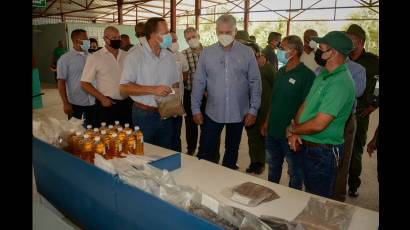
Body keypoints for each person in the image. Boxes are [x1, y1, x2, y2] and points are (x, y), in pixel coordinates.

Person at [286, 31, 356, 198]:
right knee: (307, 195)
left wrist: (295, 131)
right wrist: (296, 127)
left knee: (318, 202)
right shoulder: (324, 73)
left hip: (323, 153)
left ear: (333, 52)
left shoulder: (340, 83)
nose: (317, 49)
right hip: (308, 144)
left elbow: (319, 124)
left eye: (322, 47)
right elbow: (306, 103)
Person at [191, 14, 261, 170]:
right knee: (206, 151)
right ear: (216, 31)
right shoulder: (207, 53)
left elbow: (255, 82)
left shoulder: (247, 53)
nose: (224, 36)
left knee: (232, 150)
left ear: (235, 31)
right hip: (213, 112)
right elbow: (199, 82)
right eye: (220, 32)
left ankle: (227, 176)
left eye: (228, 32)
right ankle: (204, 179)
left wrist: (253, 109)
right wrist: (195, 109)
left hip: (239, 112)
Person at [261, 35, 315, 188]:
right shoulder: (281, 71)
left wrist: (296, 131)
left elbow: (307, 107)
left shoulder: (307, 75)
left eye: (282, 48)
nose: (279, 50)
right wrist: (266, 121)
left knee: (295, 171)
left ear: (295, 51)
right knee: (273, 165)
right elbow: (274, 99)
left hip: (290, 133)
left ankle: (293, 200)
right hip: (273, 129)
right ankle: (271, 191)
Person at [119, 17, 179, 150]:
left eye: (168, 32)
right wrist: (153, 90)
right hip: (144, 114)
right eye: (164, 33)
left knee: (165, 151)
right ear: (152, 34)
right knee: (145, 153)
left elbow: (175, 84)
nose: (168, 36)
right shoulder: (134, 56)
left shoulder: (170, 56)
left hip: (166, 112)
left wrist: (174, 105)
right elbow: (124, 87)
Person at [314, 56, 367, 202]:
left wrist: (332, 83)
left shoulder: (357, 69)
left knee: (341, 160)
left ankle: (337, 198)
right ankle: (316, 195)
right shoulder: (320, 69)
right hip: (318, 115)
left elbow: (358, 91)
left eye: (326, 48)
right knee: (318, 156)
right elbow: (312, 91)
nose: (322, 52)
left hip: (343, 119)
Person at [346, 24, 379, 197]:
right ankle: (337, 180)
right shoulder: (343, 59)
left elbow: (379, 86)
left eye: (349, 38)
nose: (347, 42)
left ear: (359, 41)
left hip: (361, 112)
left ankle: (353, 183)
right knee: (339, 147)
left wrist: (374, 105)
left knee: (356, 150)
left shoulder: (373, 62)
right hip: (341, 112)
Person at [181, 27, 221, 158]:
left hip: (210, 96)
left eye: (193, 37)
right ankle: (191, 150)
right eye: (188, 39)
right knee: (191, 125)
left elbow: (217, 73)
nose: (192, 40)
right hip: (191, 94)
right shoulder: (183, 55)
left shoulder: (211, 52)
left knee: (209, 125)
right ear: (186, 41)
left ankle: (206, 151)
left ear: (198, 36)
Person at [81, 26, 133, 126]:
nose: (117, 40)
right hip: (107, 104)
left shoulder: (127, 56)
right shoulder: (95, 57)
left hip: (127, 103)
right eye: (113, 38)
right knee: (109, 136)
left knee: (127, 134)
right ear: (105, 39)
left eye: (118, 37)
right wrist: (102, 99)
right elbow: (84, 83)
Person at [244, 42, 275, 175]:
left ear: (258, 53)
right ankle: (253, 161)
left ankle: (261, 162)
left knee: (261, 136)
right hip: (248, 107)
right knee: (251, 137)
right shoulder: (245, 67)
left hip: (263, 108)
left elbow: (276, 87)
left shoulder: (266, 67)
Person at [57, 29, 96, 127]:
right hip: (76, 103)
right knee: (76, 132)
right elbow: (61, 82)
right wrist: (65, 103)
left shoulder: (92, 56)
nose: (88, 40)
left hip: (94, 101)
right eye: (85, 38)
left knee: (93, 130)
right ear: (77, 40)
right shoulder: (65, 59)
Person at [169, 31, 189, 152]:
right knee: (166, 135)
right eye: (172, 40)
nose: (175, 43)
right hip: (165, 101)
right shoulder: (160, 55)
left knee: (176, 134)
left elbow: (185, 72)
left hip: (178, 101)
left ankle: (177, 155)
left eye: (176, 40)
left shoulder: (180, 55)